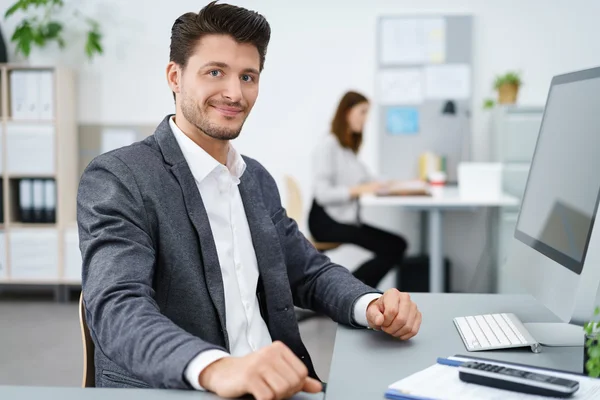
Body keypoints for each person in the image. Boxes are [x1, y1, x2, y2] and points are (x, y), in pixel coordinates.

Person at [77, 3, 422, 400]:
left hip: (281, 388)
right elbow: (117, 308)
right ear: (175, 76)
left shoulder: (253, 177)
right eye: (215, 72)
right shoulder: (120, 177)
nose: (234, 92)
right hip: (189, 387)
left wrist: (371, 304)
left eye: (247, 76)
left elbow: (307, 272)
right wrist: (216, 367)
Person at [308, 91, 409, 289]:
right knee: (395, 246)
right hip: (326, 221)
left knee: (396, 245)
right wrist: (360, 189)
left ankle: (347, 289)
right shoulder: (328, 146)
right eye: (362, 112)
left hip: (344, 220)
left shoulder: (347, 149)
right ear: (347, 112)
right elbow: (323, 194)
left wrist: (399, 184)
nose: (366, 119)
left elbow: (368, 179)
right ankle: (348, 290)